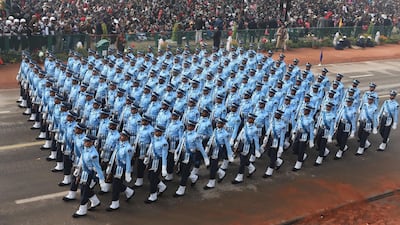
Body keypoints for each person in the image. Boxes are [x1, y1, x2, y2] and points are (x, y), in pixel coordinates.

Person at [72, 134, 107, 218]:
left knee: (84, 192)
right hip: (84, 173)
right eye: (84, 141)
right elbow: (81, 159)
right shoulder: (85, 149)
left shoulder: (93, 154)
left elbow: (98, 168)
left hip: (91, 174)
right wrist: (78, 170)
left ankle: (82, 210)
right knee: (85, 189)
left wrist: (101, 181)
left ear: (91, 143)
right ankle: (95, 201)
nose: (85, 143)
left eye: (87, 141)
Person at [173, 120, 209, 197]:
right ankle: (193, 177)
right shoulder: (185, 133)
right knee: (182, 169)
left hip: (190, 155)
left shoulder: (196, 136)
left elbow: (201, 148)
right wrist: (176, 151)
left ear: (193, 127)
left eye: (190, 126)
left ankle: (181, 189)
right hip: (182, 154)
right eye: (188, 125)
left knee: (184, 173)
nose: (188, 127)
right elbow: (181, 143)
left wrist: (206, 158)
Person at [106, 129, 135, 211]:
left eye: (122, 136)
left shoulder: (128, 148)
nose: (120, 137)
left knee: (115, 185)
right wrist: (110, 165)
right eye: (120, 135)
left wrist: (128, 173)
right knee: (116, 183)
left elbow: (128, 161)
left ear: (126, 137)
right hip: (116, 165)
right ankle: (129, 191)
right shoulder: (119, 144)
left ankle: (115, 203)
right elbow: (114, 155)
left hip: (122, 168)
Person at [203, 118, 234, 190]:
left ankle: (211, 182)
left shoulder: (225, 134)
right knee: (211, 164)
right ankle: (221, 173)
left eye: (220, 123)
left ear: (223, 125)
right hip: (212, 149)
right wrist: (207, 147)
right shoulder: (215, 130)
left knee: (213, 166)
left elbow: (227, 145)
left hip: (217, 150)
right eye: (218, 123)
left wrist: (230, 155)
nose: (218, 124)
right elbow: (211, 139)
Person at [144, 125, 168, 204]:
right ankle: (162, 186)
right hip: (152, 160)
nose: (156, 132)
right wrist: (147, 158)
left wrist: (164, 168)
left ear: (161, 132)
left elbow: (164, 156)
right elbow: (150, 149)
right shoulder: (154, 139)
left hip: (159, 161)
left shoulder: (164, 143)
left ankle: (153, 195)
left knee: (153, 178)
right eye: (156, 131)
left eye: (158, 131)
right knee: (149, 176)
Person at [232, 113, 259, 184]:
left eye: (250, 118)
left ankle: (239, 177)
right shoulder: (246, 125)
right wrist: (236, 144)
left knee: (242, 162)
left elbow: (256, 140)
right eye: (248, 118)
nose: (249, 119)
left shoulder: (255, 129)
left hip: (247, 146)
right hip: (241, 144)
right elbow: (240, 134)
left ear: (253, 120)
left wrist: (257, 150)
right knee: (243, 159)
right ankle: (251, 168)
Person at [262, 110, 286, 178]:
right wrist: (265, 138)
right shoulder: (273, 121)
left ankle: (269, 172)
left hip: (276, 141)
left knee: (272, 156)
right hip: (270, 139)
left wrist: (281, 146)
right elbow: (269, 130)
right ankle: (279, 161)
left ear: (280, 116)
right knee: (269, 153)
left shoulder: (282, 125)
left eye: (277, 114)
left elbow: (282, 136)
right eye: (275, 114)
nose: (276, 115)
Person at [291, 105, 315, 171]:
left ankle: (299, 163)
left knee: (301, 148)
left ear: (309, 111)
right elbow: (297, 125)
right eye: (304, 110)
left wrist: (311, 140)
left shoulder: (311, 120)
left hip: (305, 134)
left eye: (306, 110)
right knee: (294, 148)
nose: (305, 111)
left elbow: (311, 131)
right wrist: (294, 132)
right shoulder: (301, 117)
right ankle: (302, 155)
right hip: (298, 133)